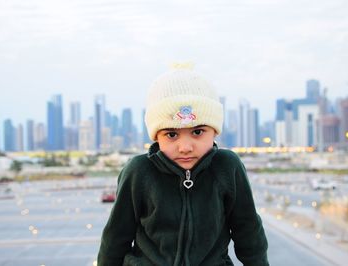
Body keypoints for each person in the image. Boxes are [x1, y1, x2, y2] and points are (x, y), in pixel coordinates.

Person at [97, 69, 269, 266]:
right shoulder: (139, 171)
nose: (185, 147)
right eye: (171, 135)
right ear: (156, 137)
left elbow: (248, 231)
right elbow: (115, 238)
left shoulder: (227, 166)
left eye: (197, 132)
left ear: (215, 132)